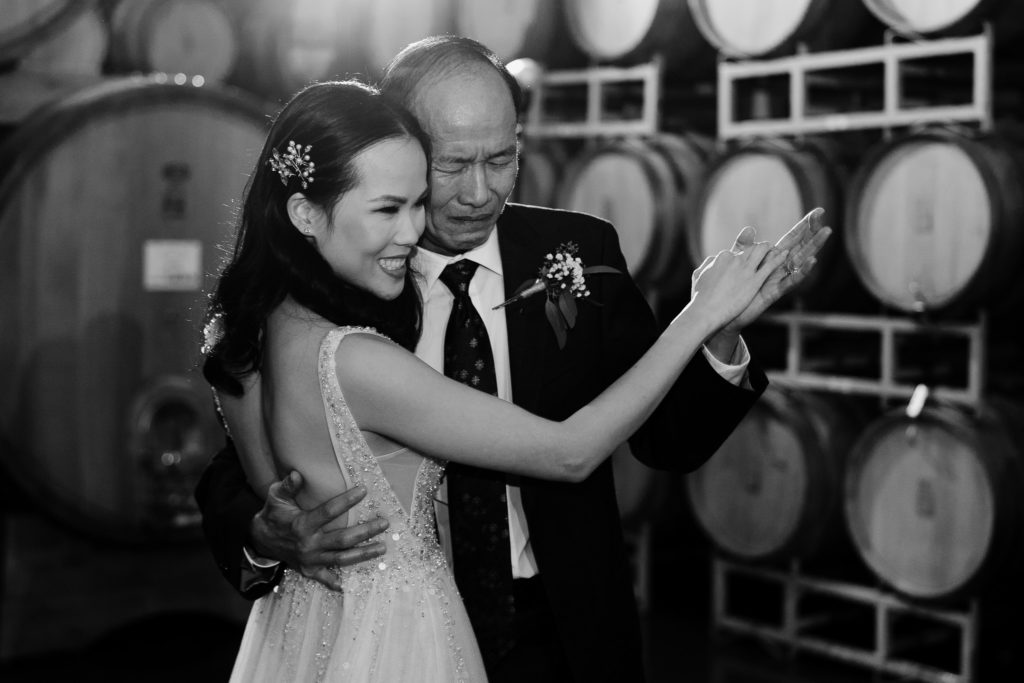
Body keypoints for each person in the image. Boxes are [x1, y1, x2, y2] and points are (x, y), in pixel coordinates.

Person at [196, 37, 830, 682]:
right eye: (451, 165)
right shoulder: (348, 282)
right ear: (398, 145)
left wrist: (717, 334)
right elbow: (255, 459)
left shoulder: (580, 250)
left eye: (501, 158)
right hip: (396, 630)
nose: (480, 192)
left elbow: (669, 438)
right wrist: (262, 536)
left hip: (562, 626)